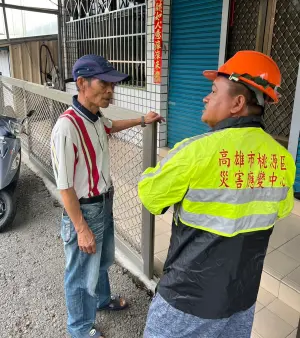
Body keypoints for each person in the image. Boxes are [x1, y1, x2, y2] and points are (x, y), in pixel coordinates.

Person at [138, 50, 296, 338]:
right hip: (242, 299)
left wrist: (156, 171)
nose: (205, 98)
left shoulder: (195, 150)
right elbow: (282, 209)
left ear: (237, 103)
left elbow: (151, 196)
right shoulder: (282, 159)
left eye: (213, 91)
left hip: (186, 300)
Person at [51, 54, 164, 338]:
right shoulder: (67, 127)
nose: (111, 90)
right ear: (81, 83)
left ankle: (101, 301)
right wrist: (80, 228)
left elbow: (111, 127)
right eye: (105, 83)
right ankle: (78, 329)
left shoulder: (95, 117)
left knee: (101, 262)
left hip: (104, 203)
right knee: (79, 277)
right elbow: (64, 187)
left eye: (112, 84)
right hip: (84, 211)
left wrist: (141, 120)